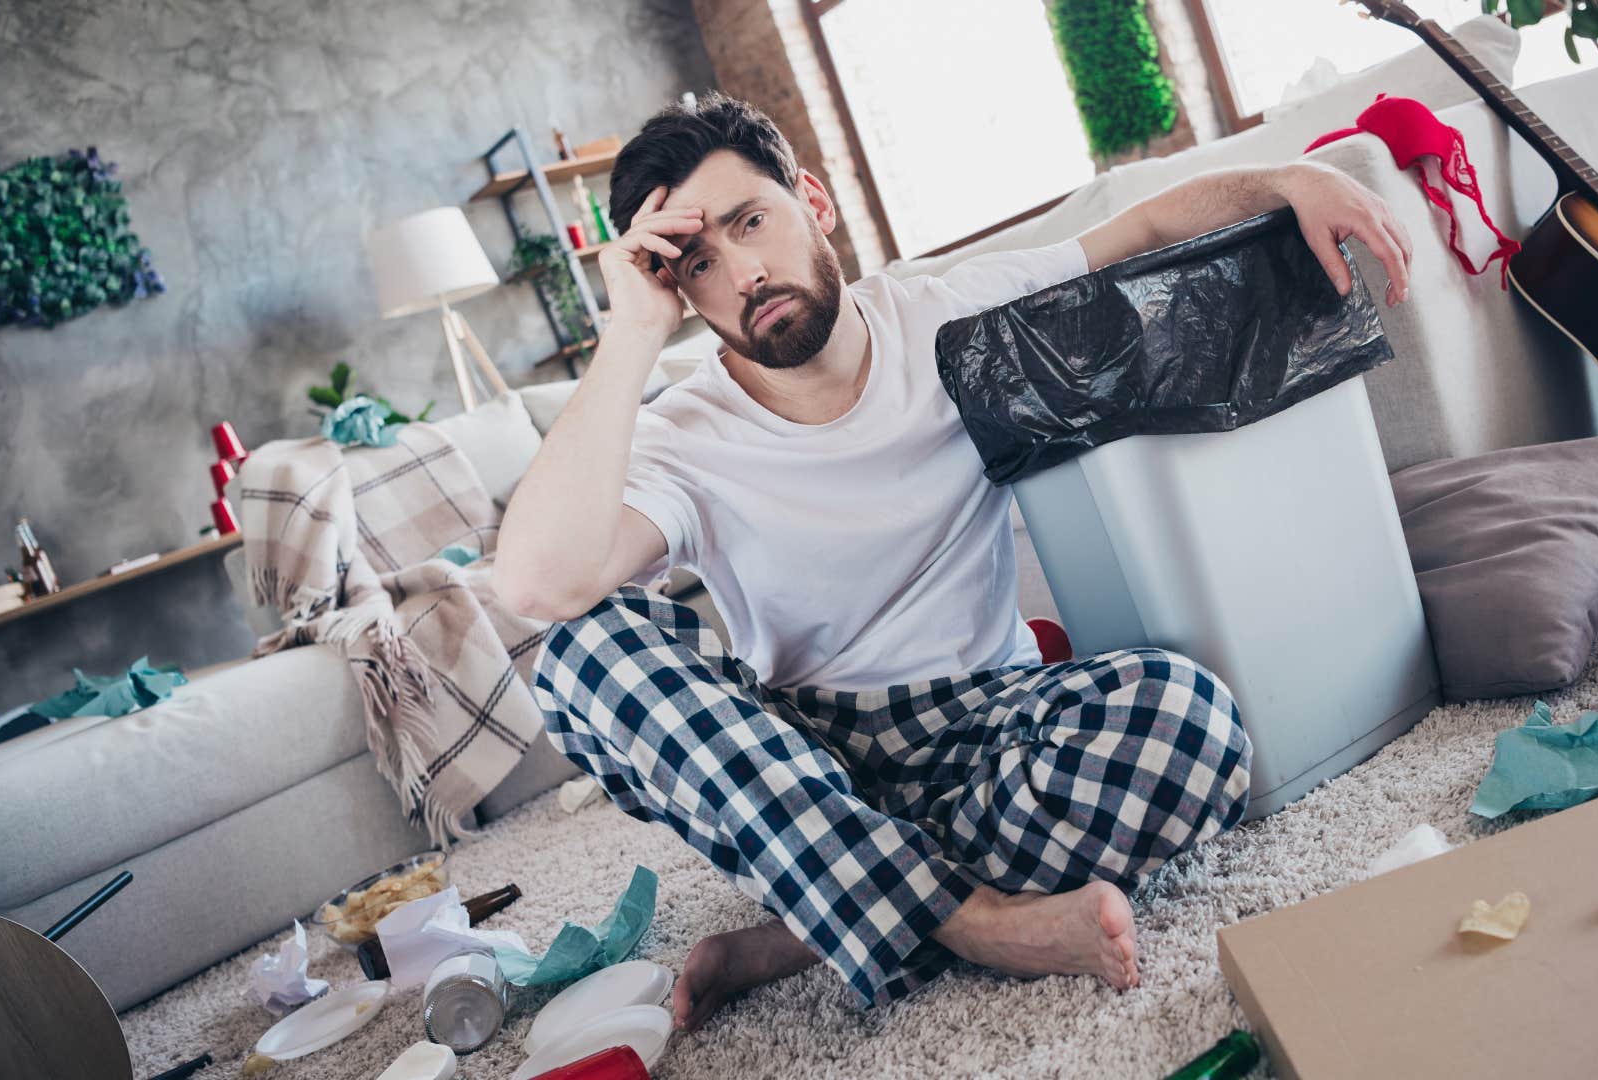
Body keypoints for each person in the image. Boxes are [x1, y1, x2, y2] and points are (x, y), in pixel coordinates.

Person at [495, 92, 1412, 1032]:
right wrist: (629, 335)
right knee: (583, 652)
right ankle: (973, 921)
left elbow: (1135, 229)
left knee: (1190, 724)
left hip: (990, 718)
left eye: (750, 222)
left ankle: (814, 925)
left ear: (814, 200)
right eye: (699, 264)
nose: (743, 272)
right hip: (802, 759)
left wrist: (1295, 179)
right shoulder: (684, 432)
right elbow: (536, 586)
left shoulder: (942, 314)